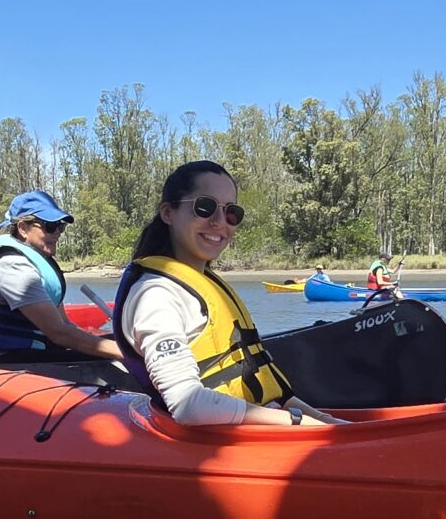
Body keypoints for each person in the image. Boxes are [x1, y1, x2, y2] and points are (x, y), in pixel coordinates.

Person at [115, 160, 333, 429]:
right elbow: (188, 406)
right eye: (204, 207)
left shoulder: (202, 285)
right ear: (168, 213)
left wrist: (327, 422)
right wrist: (296, 422)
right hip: (215, 446)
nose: (220, 222)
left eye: (232, 213)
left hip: (264, 429)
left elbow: (276, 395)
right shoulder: (156, 295)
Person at [0, 189, 122, 362]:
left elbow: (65, 326)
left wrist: (118, 344)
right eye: (50, 226)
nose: (57, 233)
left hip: (25, 356)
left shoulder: (34, 261)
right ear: (23, 228)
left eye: (61, 227)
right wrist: (125, 353)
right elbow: (58, 333)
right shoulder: (10, 265)